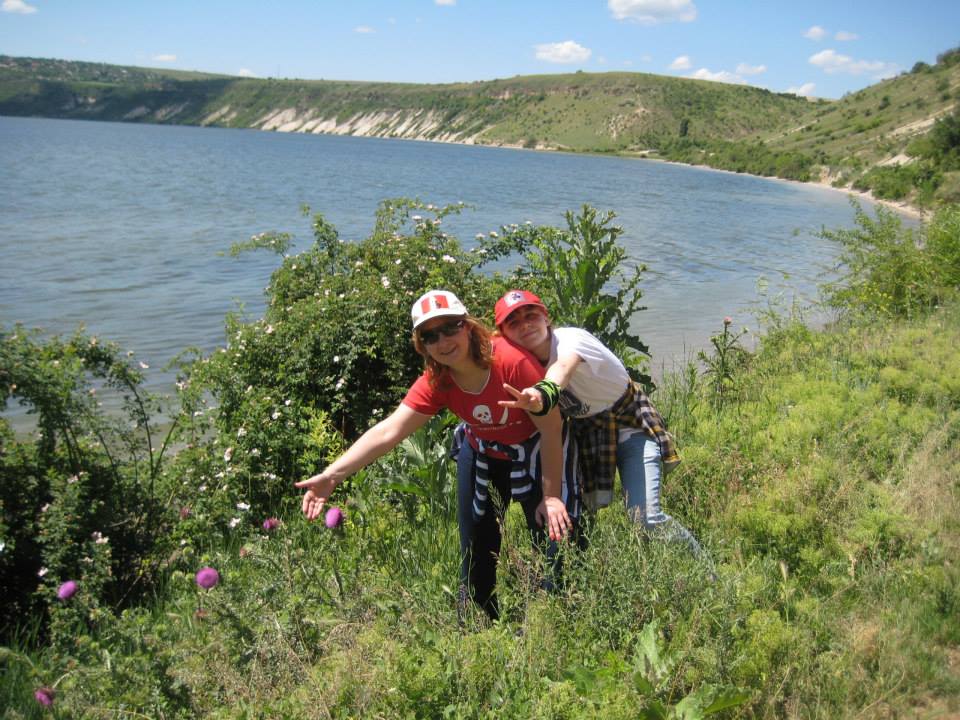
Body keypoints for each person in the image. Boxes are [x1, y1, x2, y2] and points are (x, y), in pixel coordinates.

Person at [296, 289, 573, 620]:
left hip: (537, 449)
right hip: (482, 451)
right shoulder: (437, 381)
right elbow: (390, 430)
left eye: (451, 327)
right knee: (476, 545)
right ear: (422, 345)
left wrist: (553, 496)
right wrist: (332, 475)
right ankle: (476, 622)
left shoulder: (511, 363)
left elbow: (552, 428)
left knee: (553, 536)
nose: (443, 341)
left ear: (468, 326)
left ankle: (559, 616)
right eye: (430, 335)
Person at [494, 289, 708, 561]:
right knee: (580, 513)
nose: (525, 324)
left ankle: (705, 571)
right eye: (513, 322)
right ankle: (578, 574)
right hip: (587, 434)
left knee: (646, 519)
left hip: (629, 425)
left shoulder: (570, 340)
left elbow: (562, 368)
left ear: (546, 317)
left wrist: (540, 395)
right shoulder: (519, 364)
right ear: (503, 333)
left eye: (531, 315)